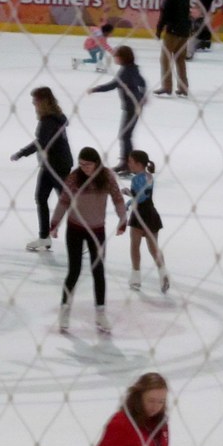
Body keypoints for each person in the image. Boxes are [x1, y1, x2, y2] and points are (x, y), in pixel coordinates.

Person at [49, 147, 127, 334]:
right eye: (81, 164)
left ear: (97, 163)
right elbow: (63, 201)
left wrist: (123, 219)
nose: (83, 167)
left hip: (97, 231)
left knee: (98, 271)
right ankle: (65, 311)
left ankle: (100, 313)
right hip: (75, 229)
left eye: (87, 164)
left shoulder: (107, 177)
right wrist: (55, 223)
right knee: (73, 271)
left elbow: (118, 199)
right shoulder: (74, 178)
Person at [11, 87, 73, 252]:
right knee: (42, 197)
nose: (33, 103)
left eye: (35, 100)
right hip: (51, 165)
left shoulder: (48, 121)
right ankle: (44, 237)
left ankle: (84, 237)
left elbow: (41, 143)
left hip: (58, 166)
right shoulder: (55, 118)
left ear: (43, 102)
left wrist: (22, 153)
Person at [92, 372, 169, 446]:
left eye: (161, 402)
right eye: (151, 400)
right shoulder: (121, 423)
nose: (156, 407)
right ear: (139, 397)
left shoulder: (161, 424)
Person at [87, 45, 147, 174]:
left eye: (116, 56)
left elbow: (113, 85)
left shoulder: (125, 71)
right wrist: (142, 96)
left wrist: (95, 89)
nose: (114, 58)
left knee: (125, 136)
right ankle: (127, 162)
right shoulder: (132, 69)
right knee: (125, 135)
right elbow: (142, 83)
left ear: (122, 58)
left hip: (132, 107)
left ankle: (128, 164)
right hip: (134, 106)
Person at [124, 150, 169, 294]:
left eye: (131, 161)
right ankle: (163, 273)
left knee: (135, 246)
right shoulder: (150, 176)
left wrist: (128, 196)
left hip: (140, 214)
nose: (128, 164)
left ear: (138, 163)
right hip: (151, 213)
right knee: (153, 247)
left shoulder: (136, 179)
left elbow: (141, 197)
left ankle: (136, 277)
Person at [154, 0, 192, 97]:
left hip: (173, 31)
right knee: (180, 59)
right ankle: (183, 87)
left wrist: (159, 30)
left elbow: (164, 14)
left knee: (165, 58)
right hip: (185, 32)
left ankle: (166, 86)